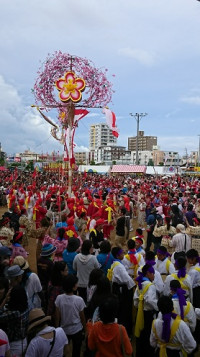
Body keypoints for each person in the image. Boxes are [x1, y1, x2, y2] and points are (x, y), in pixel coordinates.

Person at [55, 274, 86, 357]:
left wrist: (57, 328)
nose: (77, 284)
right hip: (77, 329)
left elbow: (57, 316)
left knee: (63, 351)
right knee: (76, 350)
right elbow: (82, 317)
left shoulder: (59, 298)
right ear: (73, 287)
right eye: (76, 283)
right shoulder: (79, 300)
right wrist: (85, 329)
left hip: (64, 329)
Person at [108, 247, 134, 337]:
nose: (124, 254)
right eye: (122, 253)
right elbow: (127, 280)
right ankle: (124, 332)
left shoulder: (116, 263)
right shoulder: (119, 266)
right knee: (124, 310)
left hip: (117, 288)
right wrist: (133, 285)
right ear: (118, 255)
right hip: (122, 290)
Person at [134, 264, 158, 357]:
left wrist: (139, 307)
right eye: (153, 274)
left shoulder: (140, 284)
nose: (154, 276)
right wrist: (157, 307)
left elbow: (135, 300)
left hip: (140, 313)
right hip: (148, 314)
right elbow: (151, 300)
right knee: (148, 335)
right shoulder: (150, 285)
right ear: (148, 273)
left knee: (140, 335)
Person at [0, 285, 29, 356]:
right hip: (24, 341)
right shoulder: (26, 307)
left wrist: (4, 300)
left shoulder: (15, 313)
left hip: (14, 345)